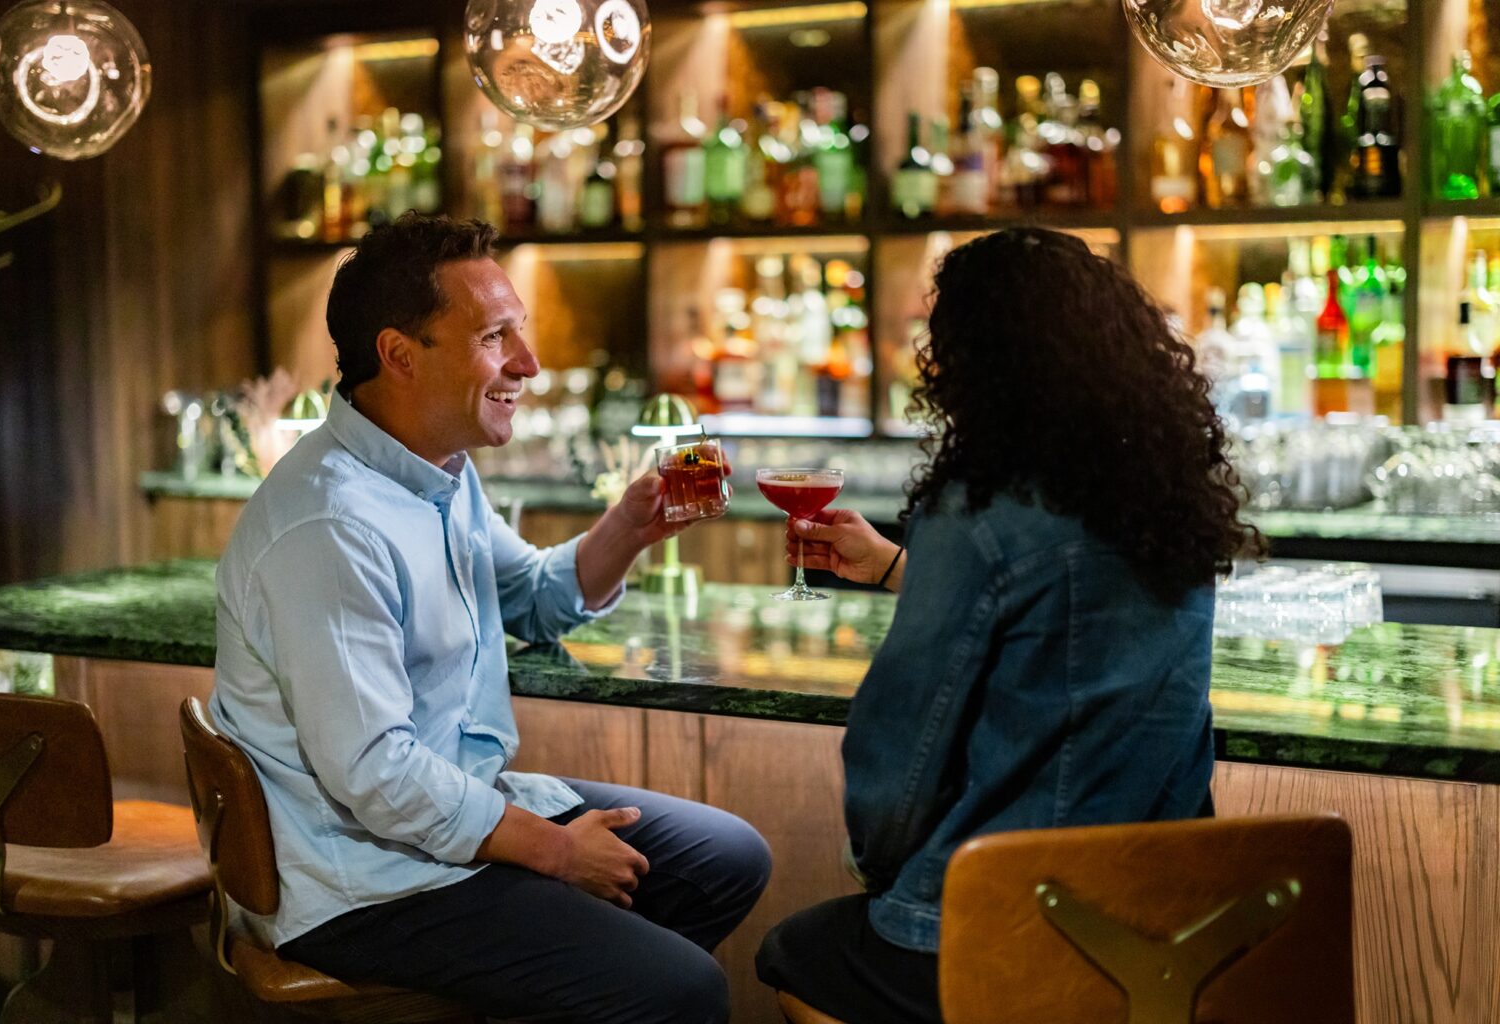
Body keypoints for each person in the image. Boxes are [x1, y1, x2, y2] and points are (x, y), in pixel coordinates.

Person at [209, 213, 770, 1024]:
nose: (529, 365)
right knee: (684, 990)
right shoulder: (330, 525)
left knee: (726, 859)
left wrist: (630, 526)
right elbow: (376, 776)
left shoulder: (437, 466)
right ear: (400, 355)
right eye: (495, 338)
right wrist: (557, 852)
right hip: (362, 882)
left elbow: (534, 599)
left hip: (444, 813)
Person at [756, 228, 1256, 1023]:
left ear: (978, 364)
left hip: (1020, 920)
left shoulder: (983, 507)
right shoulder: (1168, 496)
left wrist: (882, 868)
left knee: (792, 956)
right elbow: (1070, 627)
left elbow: (902, 754)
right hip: (1169, 915)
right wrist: (894, 567)